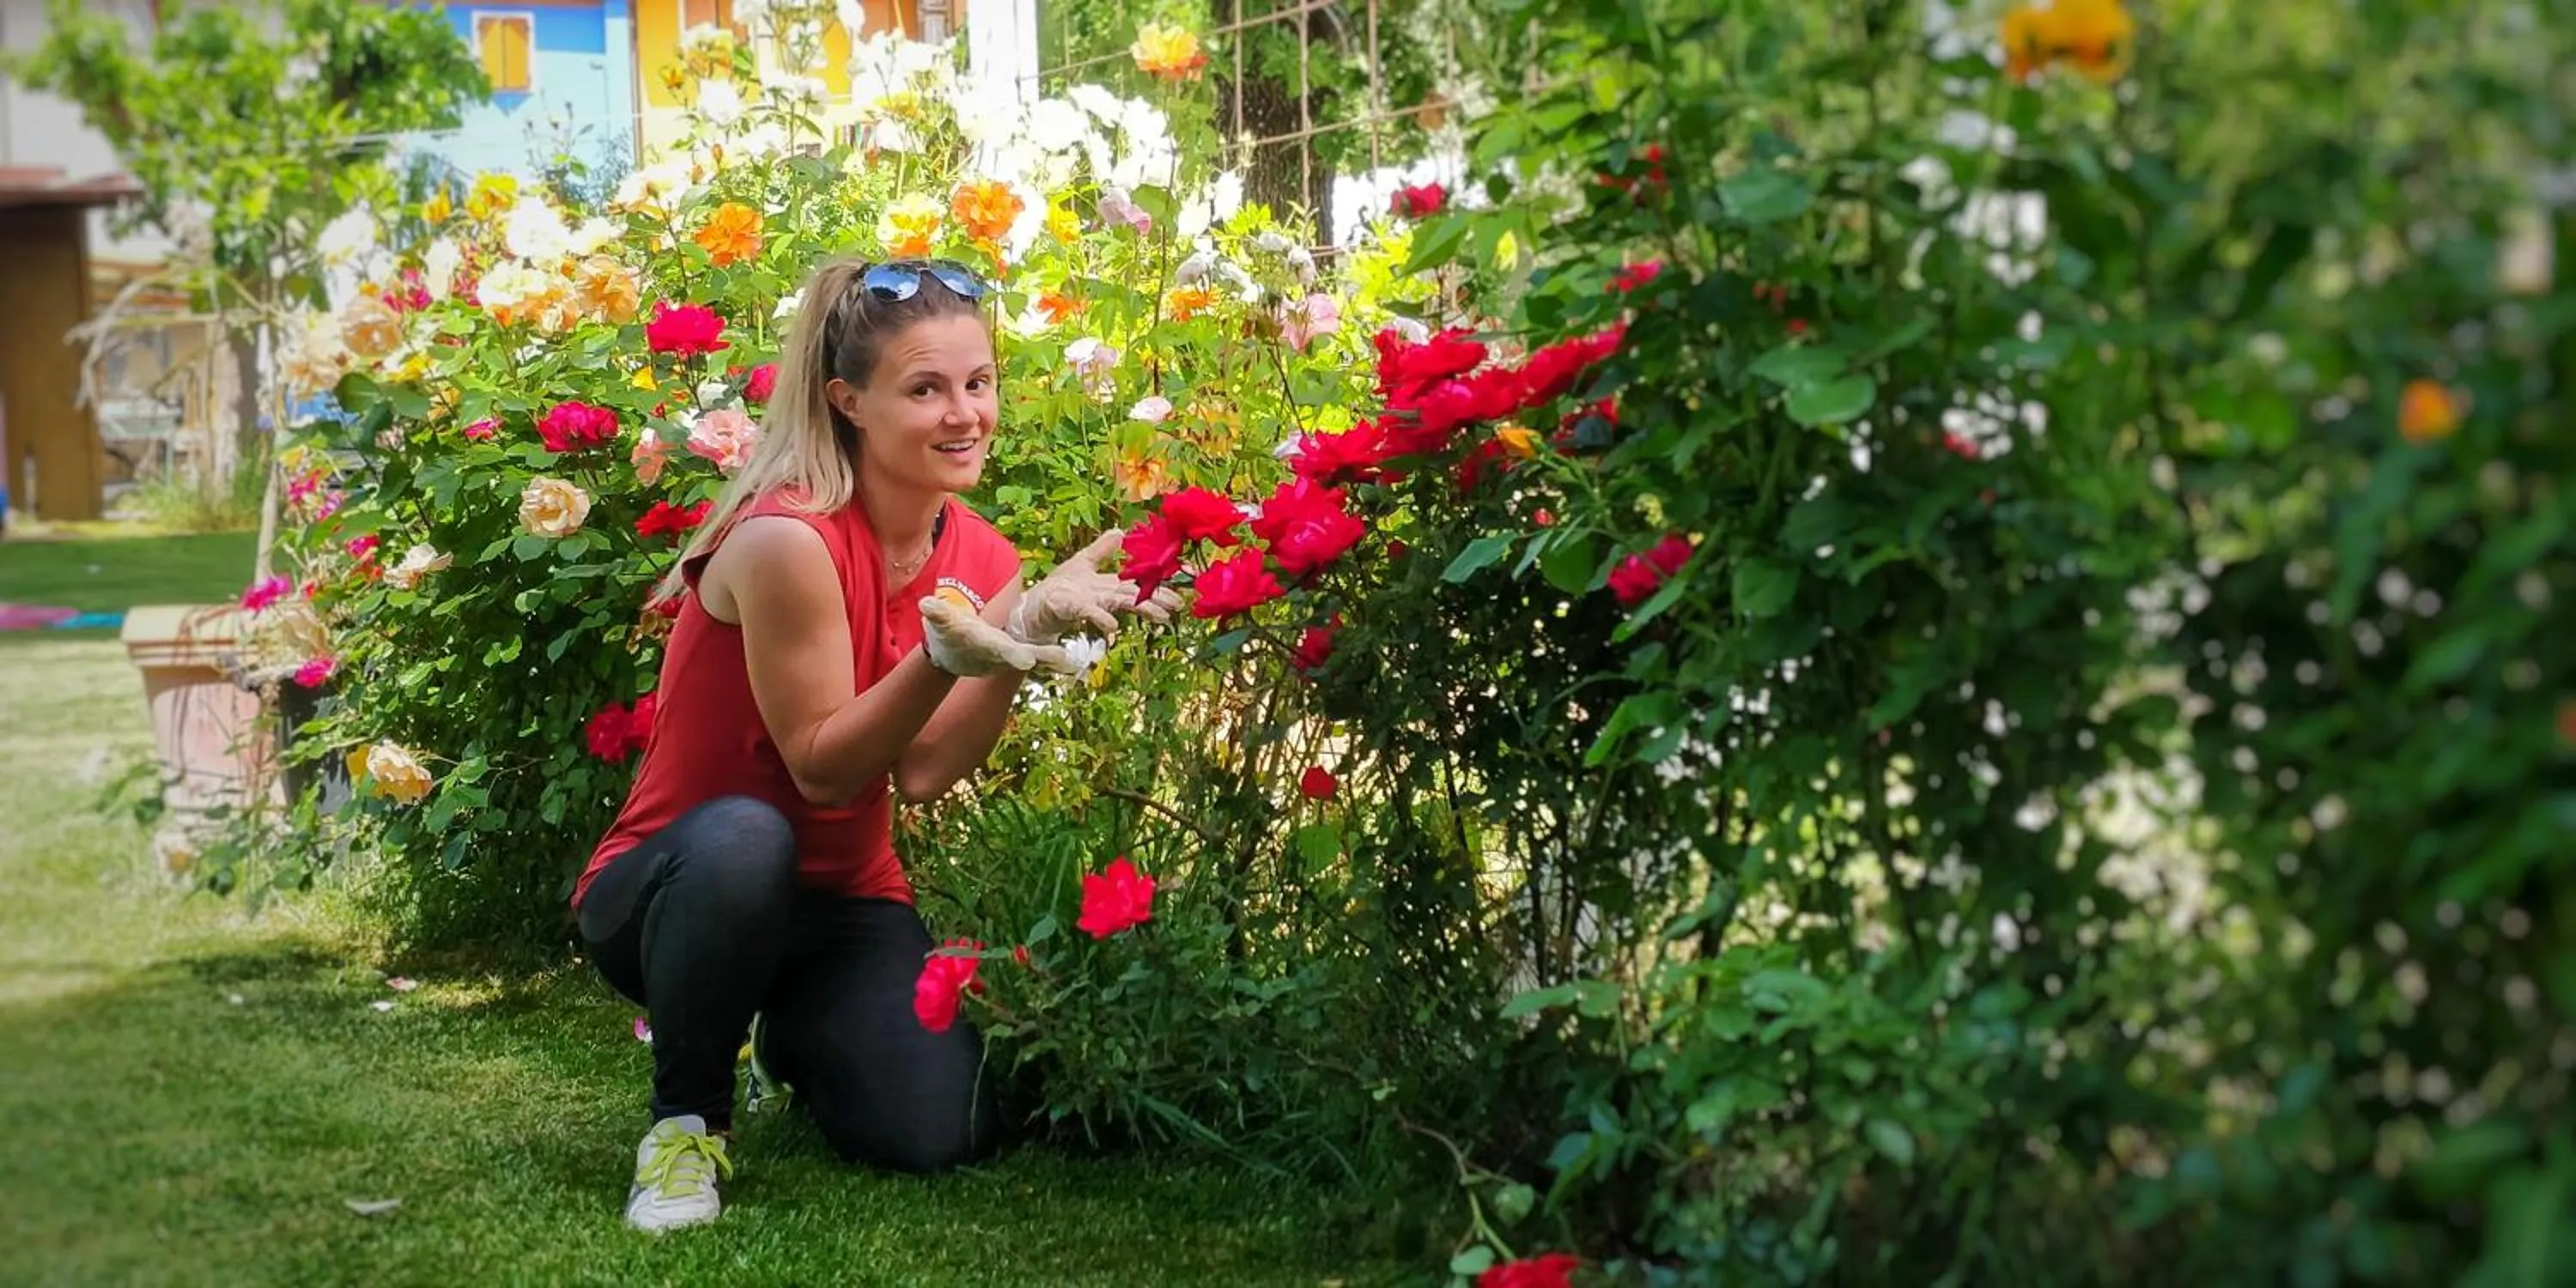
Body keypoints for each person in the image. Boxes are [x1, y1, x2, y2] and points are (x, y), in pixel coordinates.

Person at [572, 258, 1180, 1232]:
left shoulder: (983, 559)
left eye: (978, 384)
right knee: (747, 839)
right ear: (849, 400)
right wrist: (958, 648)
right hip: (680, 893)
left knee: (941, 1130)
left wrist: (1015, 641)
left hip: (840, 905)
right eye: (926, 389)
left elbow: (928, 772)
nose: (965, 414)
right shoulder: (788, 540)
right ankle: (685, 1125)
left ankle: (789, 1039)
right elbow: (823, 768)